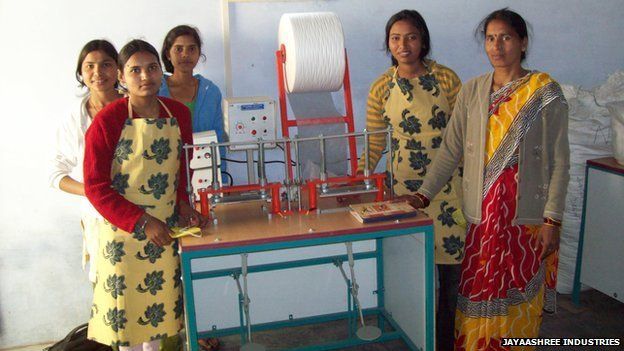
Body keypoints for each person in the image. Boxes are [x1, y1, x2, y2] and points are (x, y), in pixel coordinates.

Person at [409, 8, 569, 350]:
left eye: (506, 38)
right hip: (484, 217)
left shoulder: (544, 93)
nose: (497, 46)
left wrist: (552, 219)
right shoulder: (472, 91)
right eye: (490, 38)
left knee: (518, 291)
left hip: (525, 217)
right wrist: (422, 195)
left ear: (523, 43)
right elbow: (450, 150)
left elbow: (560, 161)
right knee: (480, 288)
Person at [84, 39, 207, 350]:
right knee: (127, 325)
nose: (145, 76)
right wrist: (141, 221)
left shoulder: (178, 113)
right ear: (122, 77)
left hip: (164, 232)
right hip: (123, 236)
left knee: (156, 321)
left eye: (151, 68)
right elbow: (95, 186)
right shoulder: (107, 120)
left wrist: (183, 205)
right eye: (135, 70)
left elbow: (182, 167)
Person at [357, 9, 465, 351]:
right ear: (388, 44)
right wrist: (358, 180)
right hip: (404, 191)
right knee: (414, 269)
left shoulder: (447, 79)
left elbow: (463, 133)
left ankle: (446, 340)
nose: (403, 45)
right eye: (395, 38)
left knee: (451, 275)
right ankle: (418, 336)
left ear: (423, 41)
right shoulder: (380, 87)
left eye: (411, 37)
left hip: (449, 189)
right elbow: (375, 141)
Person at [50, 39, 123, 283]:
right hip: (98, 218)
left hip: (144, 212)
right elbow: (56, 174)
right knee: (107, 291)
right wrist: (94, 192)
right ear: (81, 72)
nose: (98, 72)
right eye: (89, 66)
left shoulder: (135, 107)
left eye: (106, 64)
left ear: (118, 70)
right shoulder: (74, 117)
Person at [159, 25, 226, 169]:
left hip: (206, 172)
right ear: (168, 54)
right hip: (165, 173)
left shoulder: (211, 92)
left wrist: (223, 179)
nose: (185, 54)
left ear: (199, 53)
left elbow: (218, 139)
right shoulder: (156, 91)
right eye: (178, 49)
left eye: (191, 49)